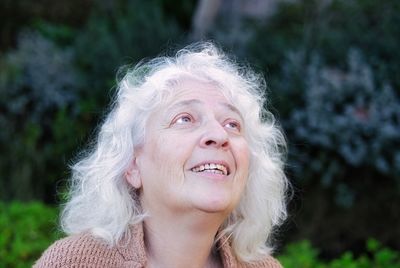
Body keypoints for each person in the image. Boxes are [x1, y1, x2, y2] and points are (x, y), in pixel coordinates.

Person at [34, 42, 288, 268]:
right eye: (185, 118)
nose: (219, 135)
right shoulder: (73, 263)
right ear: (132, 165)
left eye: (232, 124)